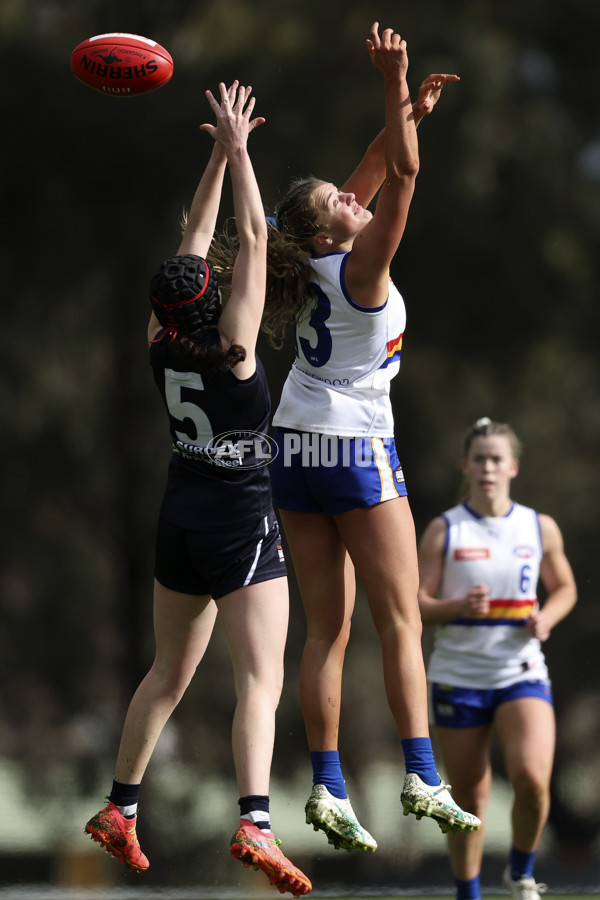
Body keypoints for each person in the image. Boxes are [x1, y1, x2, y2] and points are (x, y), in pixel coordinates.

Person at [84, 81, 311, 898]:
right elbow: (253, 232)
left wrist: (215, 154)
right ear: (210, 299)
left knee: (166, 676)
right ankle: (255, 820)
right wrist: (240, 148)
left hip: (178, 516)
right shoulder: (238, 347)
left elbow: (198, 236)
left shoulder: (159, 344)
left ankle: (120, 806)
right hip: (241, 519)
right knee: (261, 678)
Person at [260, 22, 481, 854]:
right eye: (342, 203)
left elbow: (382, 164)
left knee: (326, 631)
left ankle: (325, 784)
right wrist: (396, 83)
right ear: (330, 232)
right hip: (353, 448)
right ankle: (421, 774)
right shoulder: (363, 268)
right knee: (399, 624)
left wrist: (406, 115)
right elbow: (406, 174)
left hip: (292, 448)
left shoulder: (311, 256)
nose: (355, 199)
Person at [417, 417, 577, 900]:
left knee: (531, 779)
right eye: (479, 459)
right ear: (465, 466)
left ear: (513, 466)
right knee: (470, 796)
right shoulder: (445, 530)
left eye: (496, 459)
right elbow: (416, 605)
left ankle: (521, 874)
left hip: (520, 670)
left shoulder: (537, 526)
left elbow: (565, 588)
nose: (488, 467)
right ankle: (468, 892)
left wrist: (547, 617)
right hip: (457, 674)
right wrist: (455, 607)